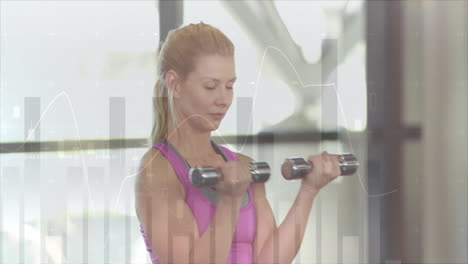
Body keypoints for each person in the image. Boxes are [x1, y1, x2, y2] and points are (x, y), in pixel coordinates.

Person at [134, 22, 341, 264]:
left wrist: (308, 190)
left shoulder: (242, 167)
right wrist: (229, 202)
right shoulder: (156, 171)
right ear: (175, 84)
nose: (224, 99)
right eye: (210, 86)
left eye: (229, 86)